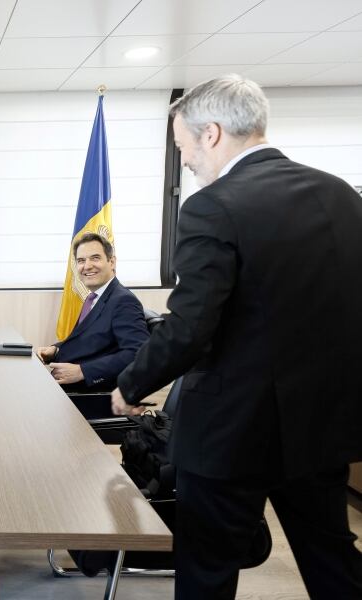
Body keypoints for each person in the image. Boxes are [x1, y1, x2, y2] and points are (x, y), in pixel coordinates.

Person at [110, 74, 362, 599]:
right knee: (332, 562)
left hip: (232, 432)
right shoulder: (340, 195)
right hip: (321, 423)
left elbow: (191, 326)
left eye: (182, 145)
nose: (184, 160)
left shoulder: (213, 205)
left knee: (206, 572)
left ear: (212, 134)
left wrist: (131, 384)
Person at [36, 233, 149, 392]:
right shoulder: (93, 297)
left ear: (112, 262)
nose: (87, 266)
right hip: (66, 388)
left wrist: (83, 371)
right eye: (81, 260)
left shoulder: (123, 301)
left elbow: (139, 354)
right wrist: (56, 350)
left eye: (95, 258)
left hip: (90, 395)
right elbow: (89, 341)